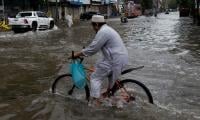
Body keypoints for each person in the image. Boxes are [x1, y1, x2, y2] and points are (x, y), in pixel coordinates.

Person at [70, 15, 129, 107]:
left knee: (94, 78)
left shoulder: (103, 32)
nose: (93, 29)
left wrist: (76, 54)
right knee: (98, 66)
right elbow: (99, 49)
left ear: (97, 24)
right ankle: (109, 94)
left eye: (93, 26)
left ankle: (95, 104)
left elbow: (92, 49)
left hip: (114, 60)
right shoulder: (107, 29)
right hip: (118, 57)